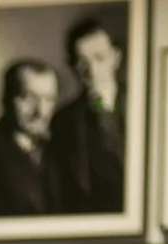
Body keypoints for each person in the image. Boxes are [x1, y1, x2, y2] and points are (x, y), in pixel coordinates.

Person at [47, 14, 126, 216]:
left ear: (116, 58)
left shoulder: (142, 104)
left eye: (99, 58)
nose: (91, 70)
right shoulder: (62, 121)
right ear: (71, 64)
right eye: (82, 61)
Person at [0, 59, 59, 216]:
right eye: (29, 97)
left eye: (49, 99)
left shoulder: (57, 150)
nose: (41, 111)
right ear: (6, 98)